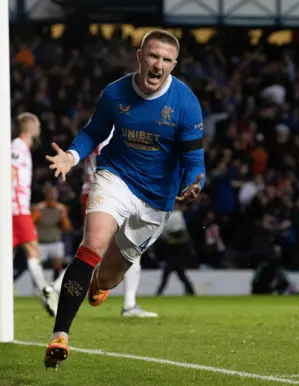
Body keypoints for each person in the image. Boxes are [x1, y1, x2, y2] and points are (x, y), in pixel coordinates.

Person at [43, 29, 205, 369]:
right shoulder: (115, 93)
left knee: (106, 280)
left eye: (166, 59)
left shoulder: (185, 102)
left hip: (157, 200)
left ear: (174, 64)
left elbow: (194, 159)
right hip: (115, 178)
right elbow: (93, 132)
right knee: (92, 245)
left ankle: (99, 284)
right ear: (139, 56)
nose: (158, 64)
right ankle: (60, 335)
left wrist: (192, 185)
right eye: (152, 56)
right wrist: (71, 157)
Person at [76, 132, 158, 318]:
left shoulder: (95, 134)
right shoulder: (113, 136)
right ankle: (129, 305)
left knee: (98, 249)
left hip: (94, 192)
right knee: (122, 247)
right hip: (109, 193)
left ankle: (58, 289)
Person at [11, 113, 58, 317]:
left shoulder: (23, 148)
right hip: (16, 209)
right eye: (38, 124)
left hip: (16, 208)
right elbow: (9, 175)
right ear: (30, 126)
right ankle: (45, 291)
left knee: (9, 253)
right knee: (32, 248)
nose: (39, 128)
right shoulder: (18, 147)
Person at [32, 182, 72, 281]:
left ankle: (55, 283)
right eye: (50, 194)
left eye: (54, 194)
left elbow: (67, 228)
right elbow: (32, 223)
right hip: (41, 242)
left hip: (55, 240)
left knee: (57, 262)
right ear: (46, 195)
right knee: (38, 265)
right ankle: (41, 285)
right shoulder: (39, 208)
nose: (52, 197)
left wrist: (63, 216)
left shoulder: (61, 209)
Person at [155, 202, 196, 296]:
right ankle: (192, 293)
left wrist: (172, 240)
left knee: (169, 276)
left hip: (175, 257)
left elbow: (181, 239)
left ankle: (158, 294)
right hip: (175, 257)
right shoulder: (176, 219)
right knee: (180, 277)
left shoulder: (177, 220)